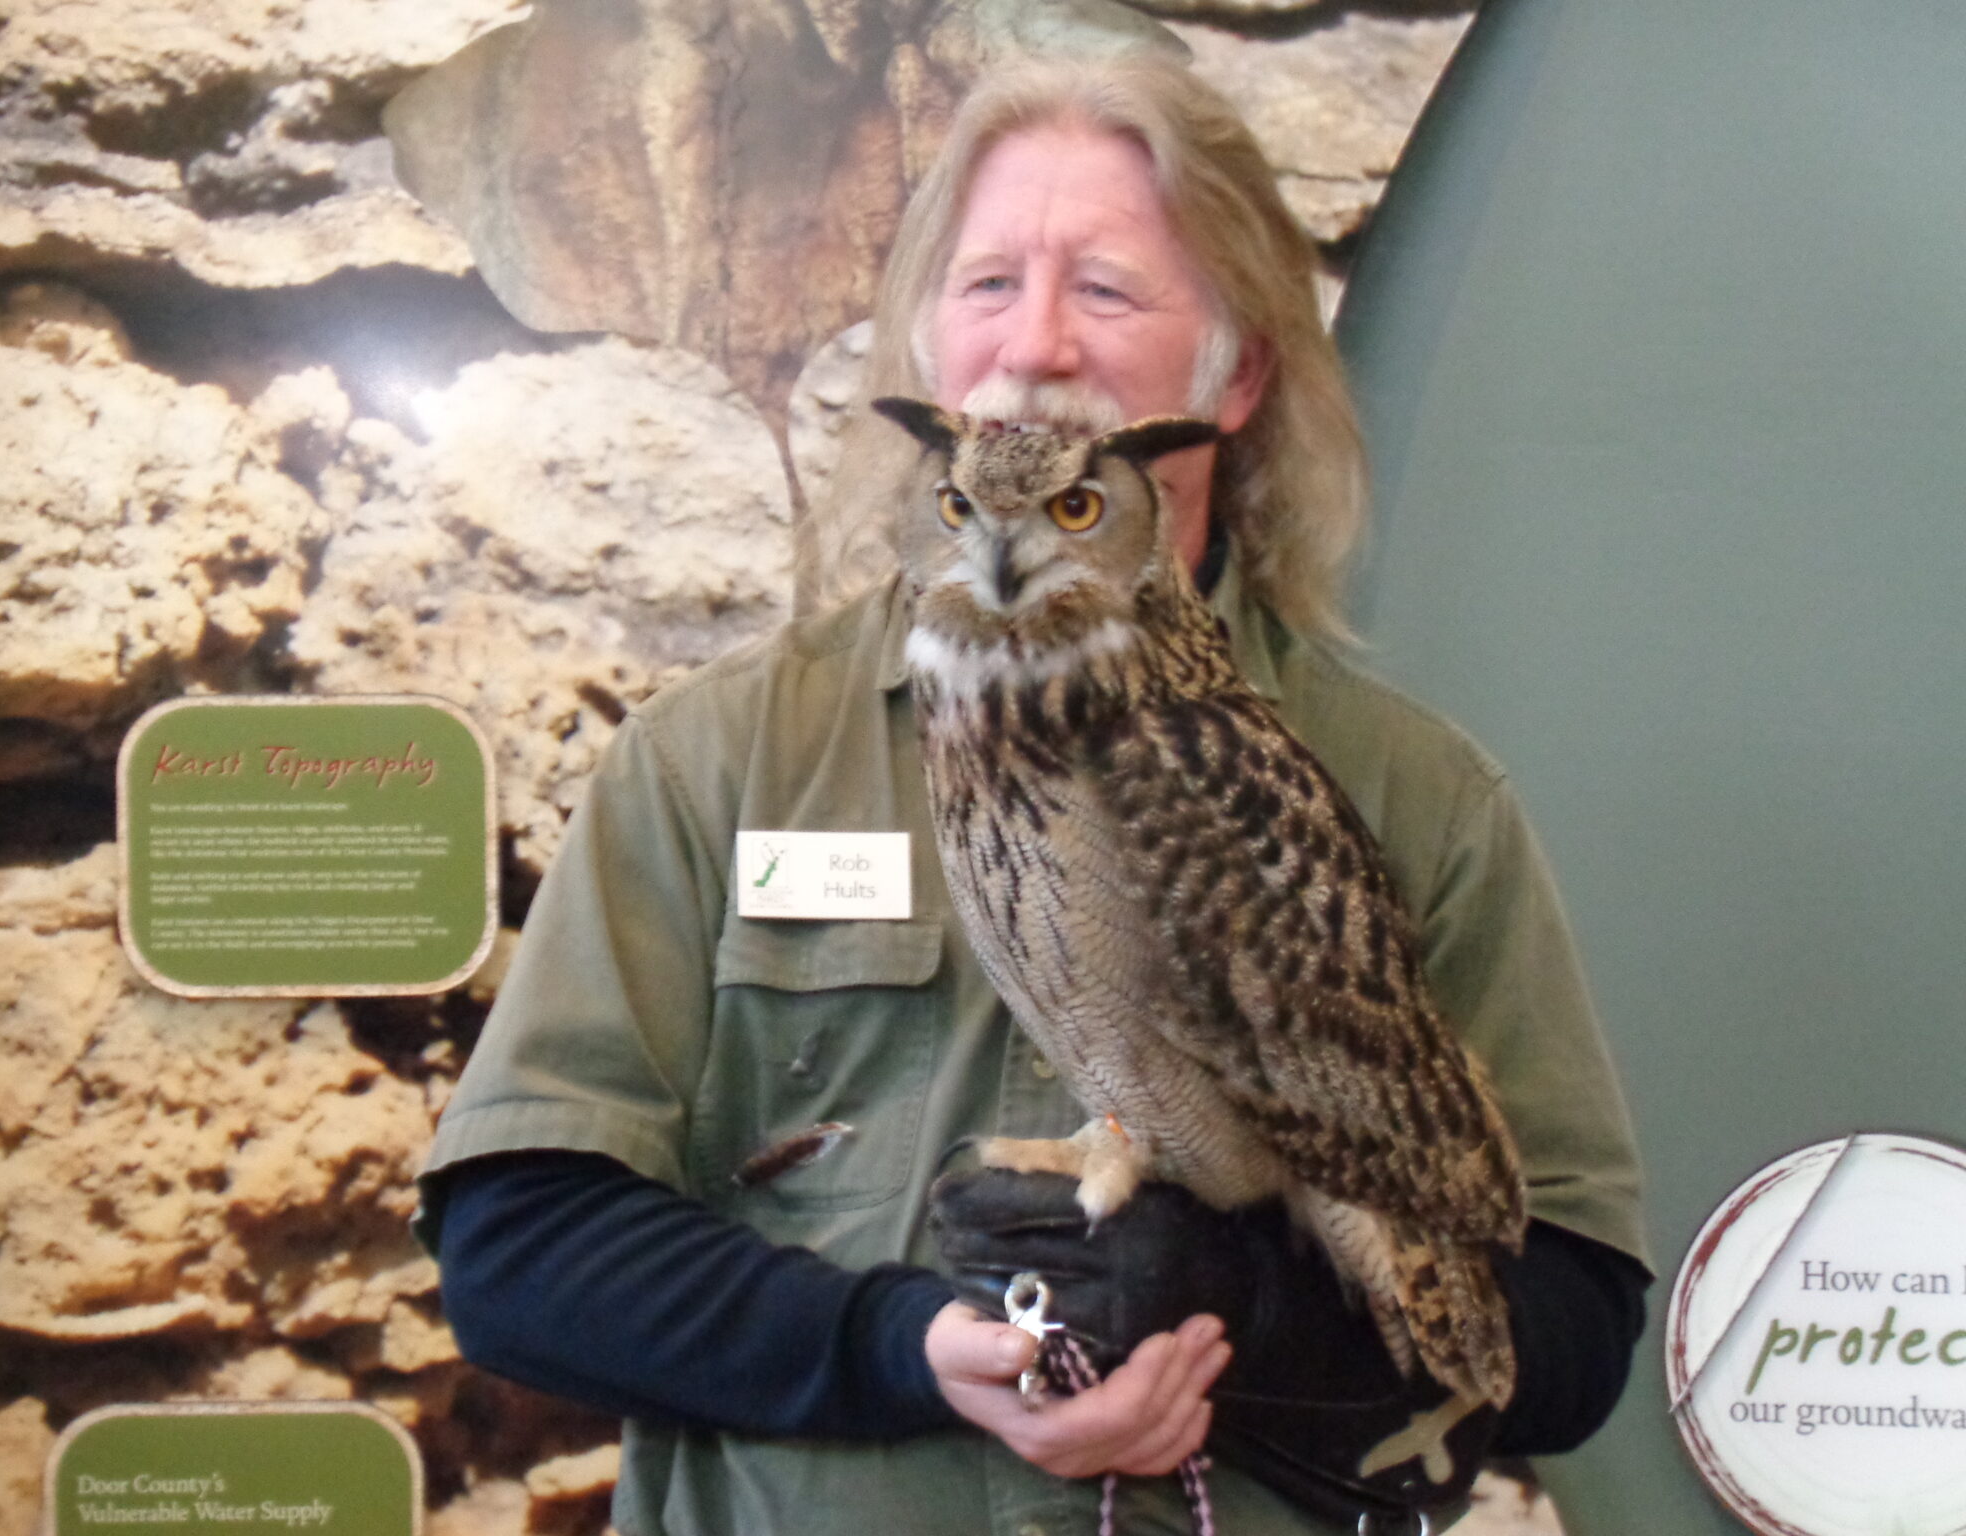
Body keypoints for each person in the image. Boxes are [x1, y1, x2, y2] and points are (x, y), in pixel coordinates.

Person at [421, 53, 1652, 1536]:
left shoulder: (1414, 793)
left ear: (1239, 372)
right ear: (932, 349)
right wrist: (908, 1348)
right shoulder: (722, 760)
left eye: (1110, 291)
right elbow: (519, 1249)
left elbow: (1563, 1330)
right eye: (990, 283)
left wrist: (1240, 1312)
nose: (1037, 344)